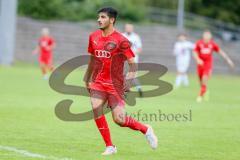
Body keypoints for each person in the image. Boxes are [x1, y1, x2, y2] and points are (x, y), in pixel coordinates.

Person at [84, 7, 158, 155]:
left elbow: (132, 63)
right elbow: (92, 59)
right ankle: (110, 146)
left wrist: (129, 82)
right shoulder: (93, 36)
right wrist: (87, 78)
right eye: (99, 17)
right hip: (98, 82)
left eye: (103, 17)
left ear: (112, 20)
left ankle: (146, 129)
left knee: (119, 119)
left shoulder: (121, 40)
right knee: (96, 107)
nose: (99, 19)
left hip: (115, 84)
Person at [193, 30, 234, 102]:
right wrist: (198, 59)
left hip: (208, 64)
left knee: (204, 78)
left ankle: (200, 96)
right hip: (200, 64)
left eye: (208, 35)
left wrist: (228, 60)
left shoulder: (212, 44)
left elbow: (221, 52)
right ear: (203, 36)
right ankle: (205, 90)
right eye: (205, 35)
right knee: (201, 81)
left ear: (210, 37)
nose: (206, 37)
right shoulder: (199, 43)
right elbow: (194, 52)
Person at [123, 23, 143, 96]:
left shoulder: (136, 37)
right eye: (127, 27)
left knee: (132, 76)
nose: (128, 29)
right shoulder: (122, 36)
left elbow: (140, 49)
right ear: (125, 28)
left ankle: (138, 88)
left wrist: (131, 53)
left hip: (133, 59)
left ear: (132, 28)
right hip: (123, 59)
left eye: (130, 28)